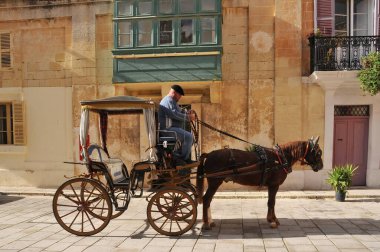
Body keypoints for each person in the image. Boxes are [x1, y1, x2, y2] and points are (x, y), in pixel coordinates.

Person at [158, 84, 196, 166]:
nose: (180, 98)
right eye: (179, 96)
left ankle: (176, 155)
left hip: (172, 129)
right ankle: (183, 159)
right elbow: (174, 114)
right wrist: (188, 117)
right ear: (174, 93)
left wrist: (187, 113)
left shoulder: (172, 101)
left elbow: (179, 111)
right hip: (167, 130)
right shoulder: (168, 100)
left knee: (190, 139)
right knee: (189, 137)